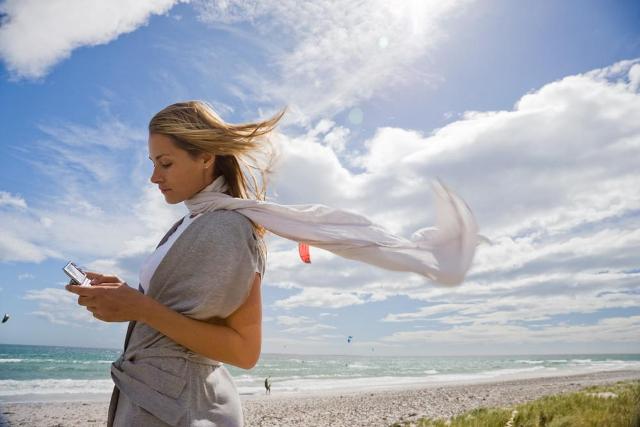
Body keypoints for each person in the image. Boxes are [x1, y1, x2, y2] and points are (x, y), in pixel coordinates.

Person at [65, 100, 482, 426]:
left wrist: (141, 308)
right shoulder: (187, 227)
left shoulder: (226, 227)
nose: (155, 177)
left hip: (179, 409)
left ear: (206, 156)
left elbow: (245, 352)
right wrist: (128, 297)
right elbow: (175, 314)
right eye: (153, 163)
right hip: (158, 402)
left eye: (166, 163)